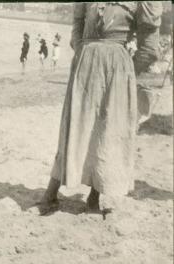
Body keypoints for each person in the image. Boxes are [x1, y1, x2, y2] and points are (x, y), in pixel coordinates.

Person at [39, 2, 162, 216]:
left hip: (117, 68)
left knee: (107, 131)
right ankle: (51, 193)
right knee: (74, 124)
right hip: (84, 63)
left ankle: (94, 198)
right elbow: (77, 23)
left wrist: (126, 68)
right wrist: (82, 50)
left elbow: (150, 46)